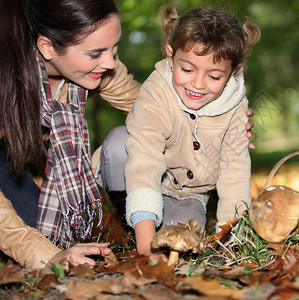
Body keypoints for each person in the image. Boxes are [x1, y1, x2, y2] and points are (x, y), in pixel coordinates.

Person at [0, 0, 254, 269]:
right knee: (33, 247)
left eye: (114, 48)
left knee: (46, 231)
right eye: (96, 53)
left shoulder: (102, 67)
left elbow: (149, 111)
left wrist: (216, 124)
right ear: (47, 48)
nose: (110, 62)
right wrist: (41, 254)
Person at [100, 5, 260, 257]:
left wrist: (232, 238)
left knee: (183, 243)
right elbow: (144, 158)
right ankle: (137, 221)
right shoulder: (156, 90)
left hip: (189, 193)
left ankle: (163, 220)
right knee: (120, 142)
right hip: (140, 174)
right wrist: (145, 244)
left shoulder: (236, 107)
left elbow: (235, 170)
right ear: (170, 57)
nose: (197, 84)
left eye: (215, 76)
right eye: (187, 70)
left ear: (233, 72)